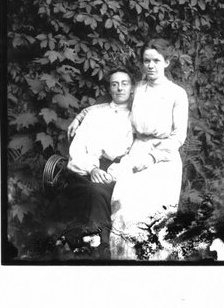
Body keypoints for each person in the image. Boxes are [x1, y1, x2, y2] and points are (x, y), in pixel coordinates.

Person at [67, 38, 189, 260]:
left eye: (156, 61)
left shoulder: (177, 93)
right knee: (124, 209)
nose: (150, 66)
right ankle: (121, 264)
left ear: (167, 62)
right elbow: (115, 101)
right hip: (136, 151)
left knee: (152, 217)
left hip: (163, 157)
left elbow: (179, 136)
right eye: (146, 61)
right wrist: (82, 114)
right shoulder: (140, 88)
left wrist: (153, 157)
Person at [54, 67, 134, 258]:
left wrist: (112, 173)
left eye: (124, 84)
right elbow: (78, 148)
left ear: (132, 88)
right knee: (91, 189)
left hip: (121, 171)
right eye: (114, 84)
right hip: (86, 169)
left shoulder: (137, 117)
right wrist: (92, 169)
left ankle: (95, 246)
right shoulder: (95, 114)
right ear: (109, 89)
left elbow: (135, 153)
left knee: (99, 191)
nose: (120, 88)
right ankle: (98, 245)